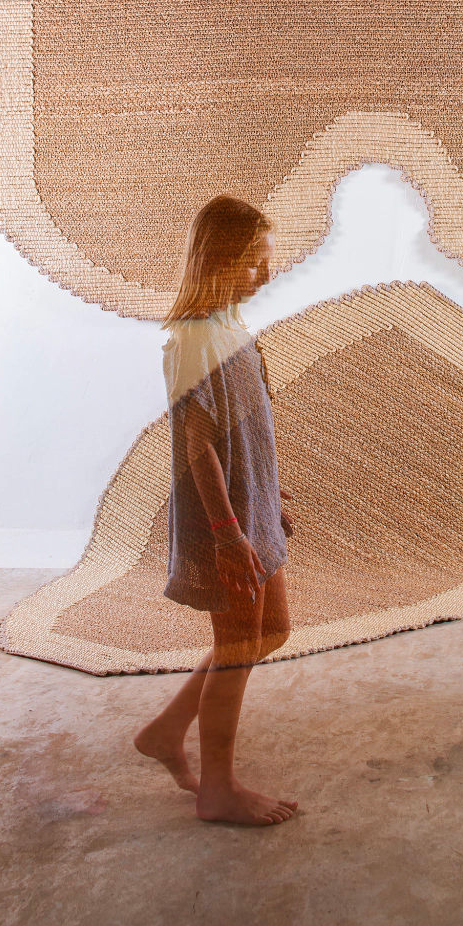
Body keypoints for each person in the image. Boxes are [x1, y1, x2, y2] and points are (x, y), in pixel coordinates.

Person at [133, 195, 298, 824]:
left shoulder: (232, 330)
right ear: (221, 260)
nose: (266, 273)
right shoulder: (193, 339)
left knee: (269, 631)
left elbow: (246, 431)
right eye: (255, 263)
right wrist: (229, 531)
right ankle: (218, 789)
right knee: (235, 645)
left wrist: (268, 494)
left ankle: (166, 732)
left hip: (249, 507)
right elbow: (195, 445)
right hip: (220, 519)